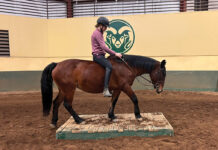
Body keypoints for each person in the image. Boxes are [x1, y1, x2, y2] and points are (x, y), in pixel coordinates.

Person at [91, 16, 122, 97]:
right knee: (109, 67)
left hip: (101, 55)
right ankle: (105, 90)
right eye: (105, 27)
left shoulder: (99, 33)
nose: (106, 28)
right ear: (100, 25)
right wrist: (115, 53)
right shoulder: (97, 33)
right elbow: (104, 47)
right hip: (98, 56)